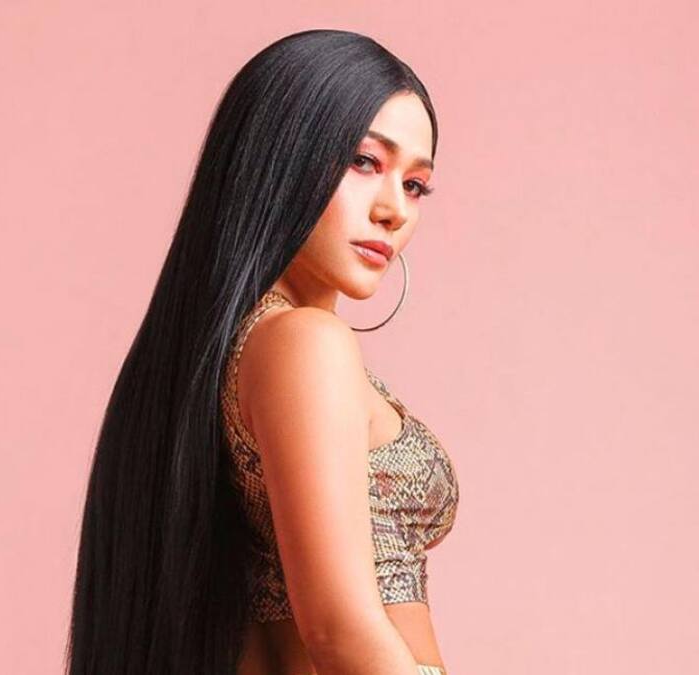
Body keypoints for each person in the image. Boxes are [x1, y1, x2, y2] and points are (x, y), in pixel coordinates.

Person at [66, 29, 459, 675]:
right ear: (279, 157)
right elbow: (340, 629)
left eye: (416, 184)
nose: (394, 210)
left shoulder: (227, 350)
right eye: (364, 161)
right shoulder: (303, 341)